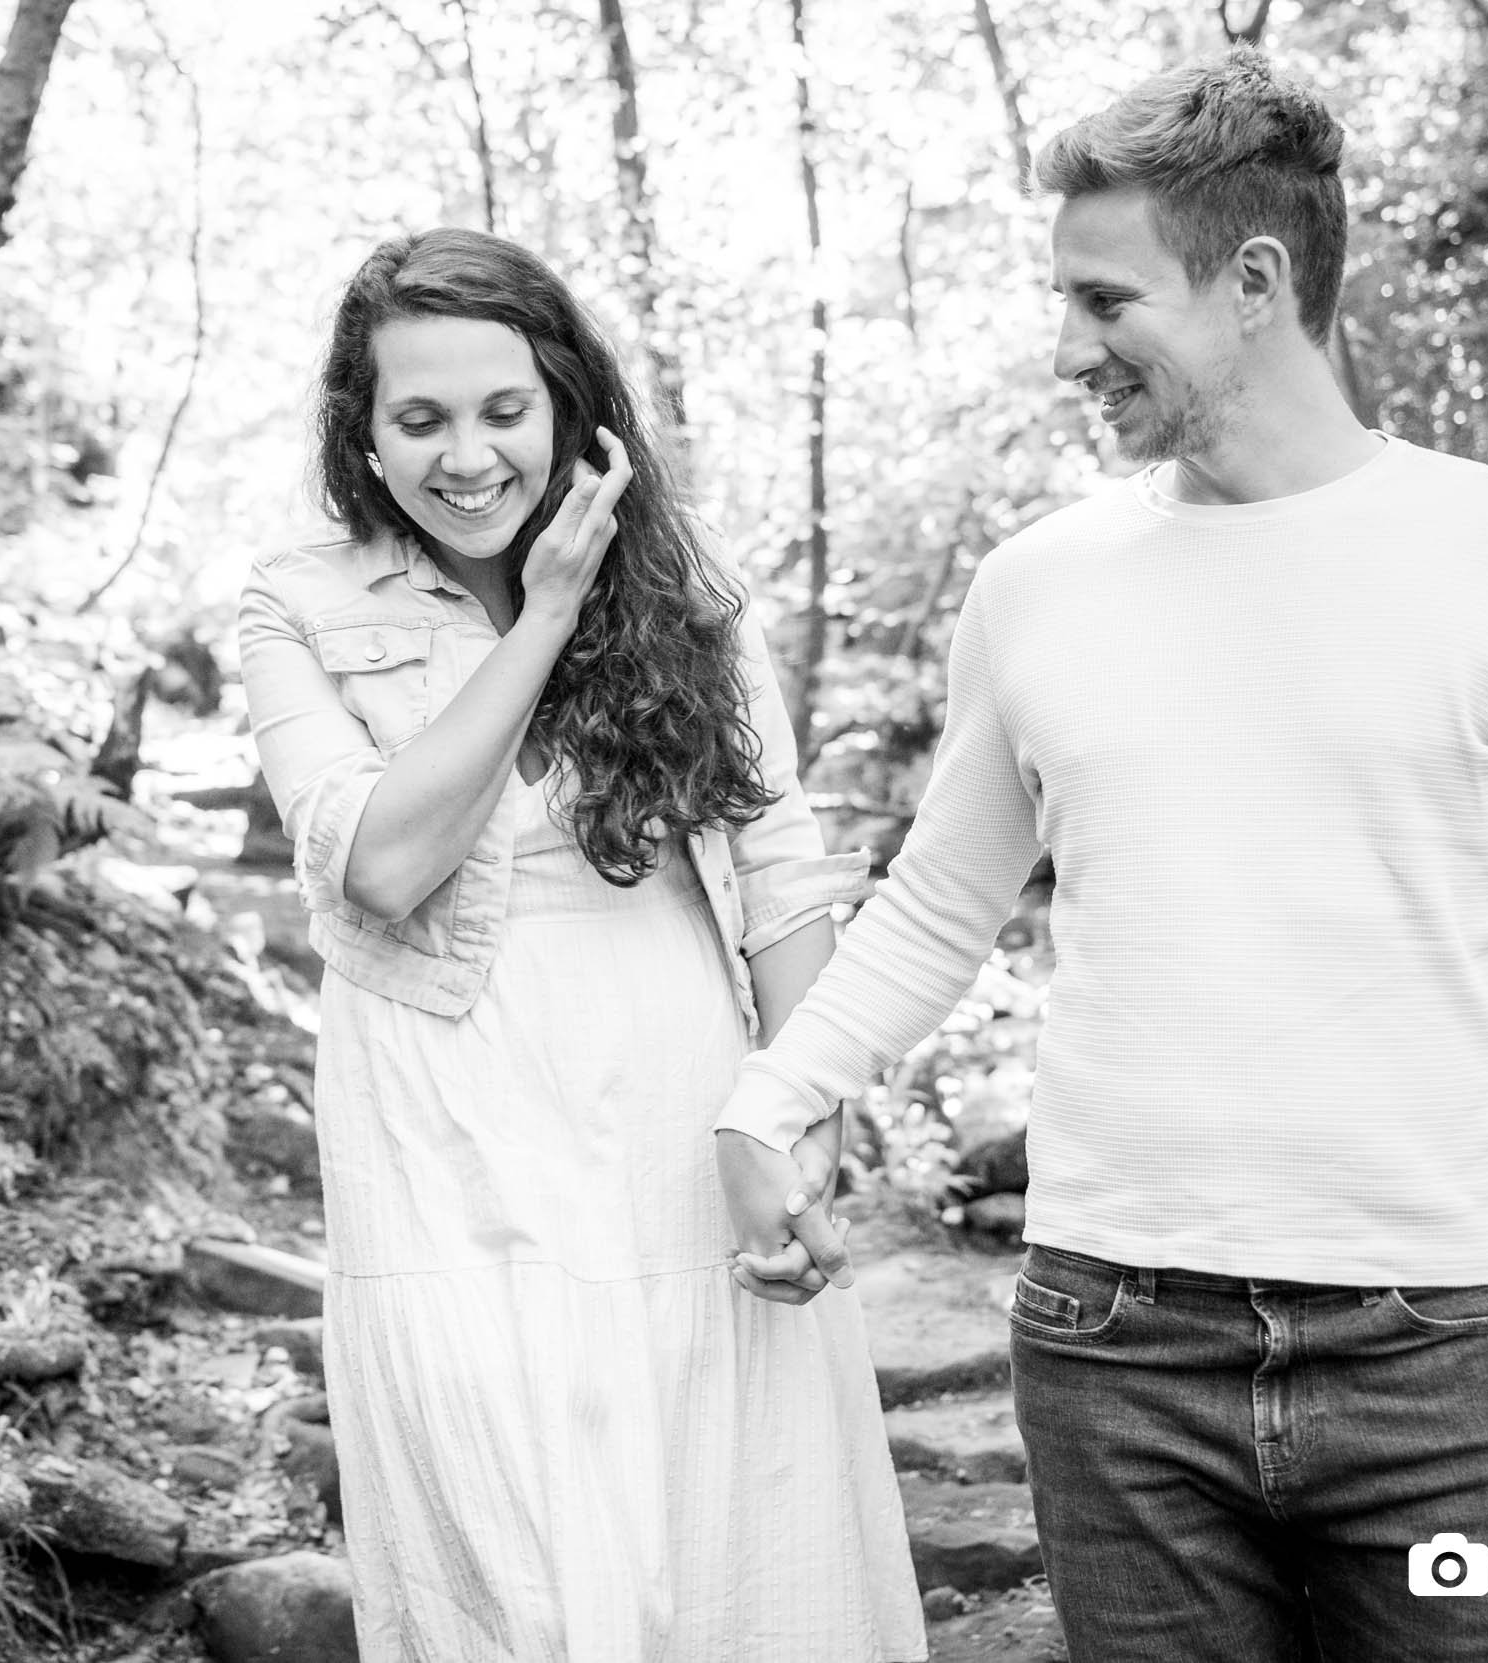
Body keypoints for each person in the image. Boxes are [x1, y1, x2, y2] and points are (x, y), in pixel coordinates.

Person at [716, 47, 1488, 1663]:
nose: (1068, 350)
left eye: (1105, 302)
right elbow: (936, 906)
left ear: (1255, 279)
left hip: (1444, 1361)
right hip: (1111, 1348)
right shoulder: (1037, 586)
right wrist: (773, 1096)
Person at [237, 227, 925, 1663]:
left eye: (505, 411)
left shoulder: (686, 592)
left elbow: (783, 879)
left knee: (731, 1528)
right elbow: (387, 862)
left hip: (677, 1101)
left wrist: (797, 1129)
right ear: (361, 437)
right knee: (513, 1546)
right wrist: (545, 611)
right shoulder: (297, 603)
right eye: (418, 419)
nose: (468, 456)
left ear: (567, 404)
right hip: (443, 1120)